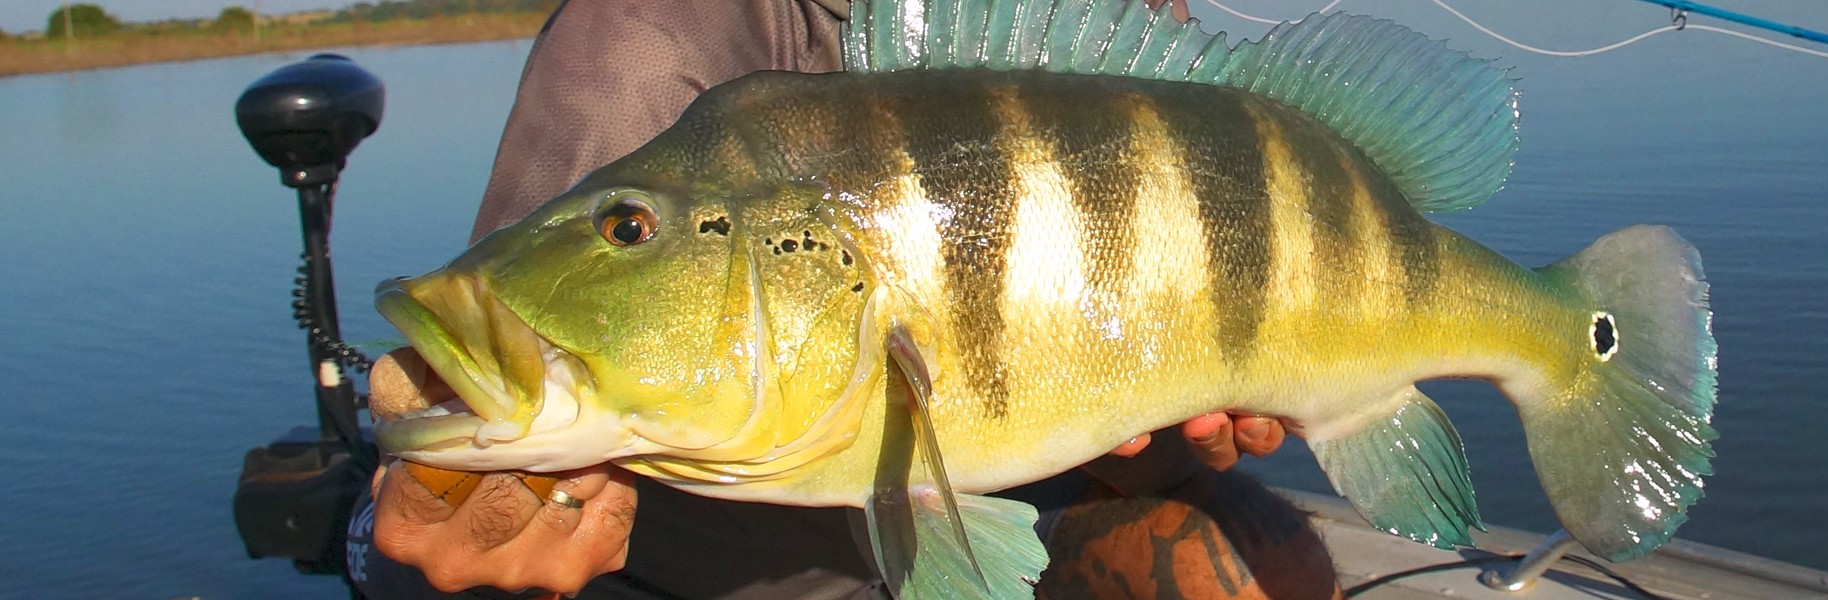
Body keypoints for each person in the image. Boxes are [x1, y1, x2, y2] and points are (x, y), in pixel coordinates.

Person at [348, 1, 1337, 598]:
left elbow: (1129, 394)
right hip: (728, 578)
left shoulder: (1111, 29)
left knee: (1266, 574)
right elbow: (532, 332)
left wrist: (1201, 416)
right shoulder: (642, 42)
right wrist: (508, 490)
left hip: (1005, 503)